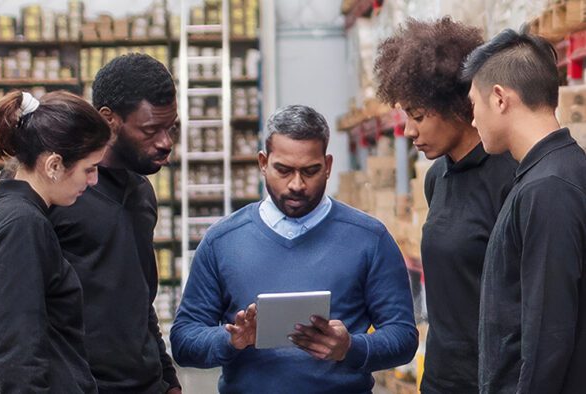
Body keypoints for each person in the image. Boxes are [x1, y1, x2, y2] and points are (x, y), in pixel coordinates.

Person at [170, 104, 418, 393]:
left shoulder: (369, 239)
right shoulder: (222, 242)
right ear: (263, 162)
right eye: (284, 170)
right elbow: (184, 339)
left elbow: (403, 336)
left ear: (327, 166)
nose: (297, 185)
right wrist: (230, 340)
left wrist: (351, 347)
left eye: (310, 171)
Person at [374, 17, 517, 393]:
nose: (409, 131)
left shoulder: (511, 178)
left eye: (418, 116)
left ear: (457, 105)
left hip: (495, 381)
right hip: (440, 377)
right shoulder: (438, 178)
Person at [0, 90, 110, 392]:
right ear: (53, 165)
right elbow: (17, 354)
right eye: (89, 169)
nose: (93, 181)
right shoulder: (23, 226)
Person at [48, 53, 182, 393]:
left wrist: (167, 377)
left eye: (172, 128)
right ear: (109, 119)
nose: (166, 142)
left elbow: (139, 297)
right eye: (151, 130)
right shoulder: (58, 194)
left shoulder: (142, 193)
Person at [462, 28, 586, 393]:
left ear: (499, 98)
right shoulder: (549, 174)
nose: (473, 121)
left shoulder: (548, 188)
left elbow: (549, 335)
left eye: (473, 105)